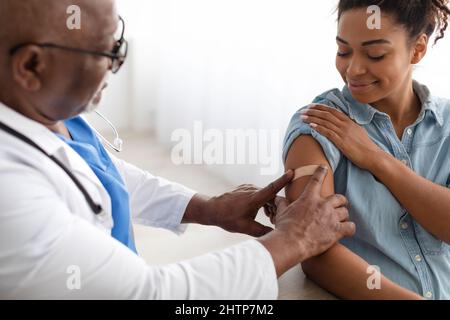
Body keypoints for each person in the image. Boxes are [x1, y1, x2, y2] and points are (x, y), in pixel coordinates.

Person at [0, 0, 355, 299]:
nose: (115, 65)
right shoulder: (11, 192)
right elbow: (151, 294)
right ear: (32, 66)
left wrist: (208, 208)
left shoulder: (45, 110)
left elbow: (101, 173)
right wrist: (292, 240)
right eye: (108, 51)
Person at [283, 0, 450, 300]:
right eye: (343, 51)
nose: (353, 69)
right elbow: (312, 249)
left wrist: (377, 160)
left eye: (375, 54)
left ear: (418, 49)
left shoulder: (447, 125)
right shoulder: (319, 124)